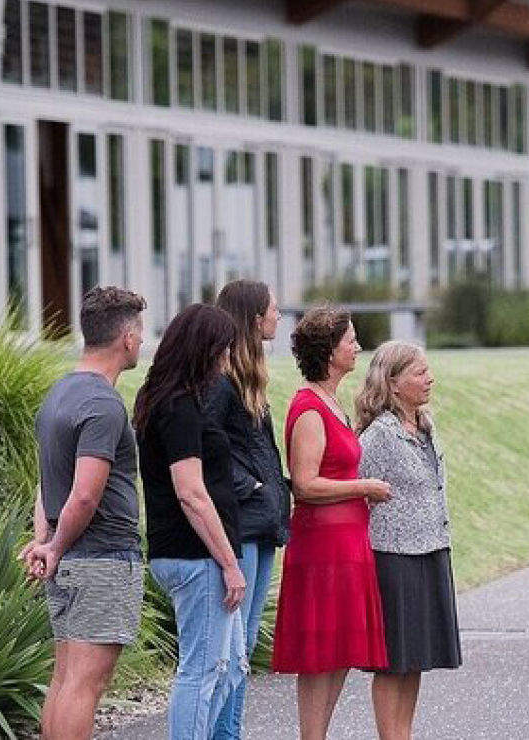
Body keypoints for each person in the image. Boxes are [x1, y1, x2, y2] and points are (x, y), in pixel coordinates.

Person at [23, 286, 148, 740]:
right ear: (127, 339)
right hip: (101, 560)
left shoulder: (59, 394)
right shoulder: (103, 403)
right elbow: (83, 497)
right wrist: (53, 546)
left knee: (65, 680)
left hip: (71, 557)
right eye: (140, 333)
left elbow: (46, 483)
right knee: (85, 684)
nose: (142, 342)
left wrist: (47, 543)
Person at [271, 306, 392, 740]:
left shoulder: (332, 402)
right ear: (329, 350)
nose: (357, 346)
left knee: (340, 649)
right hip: (322, 545)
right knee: (320, 652)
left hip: (347, 542)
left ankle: (319, 734)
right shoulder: (308, 408)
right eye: (351, 340)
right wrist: (364, 487)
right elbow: (304, 485)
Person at [134, 303, 247, 740]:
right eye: (223, 348)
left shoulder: (169, 399)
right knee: (202, 671)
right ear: (204, 349)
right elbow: (191, 493)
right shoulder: (178, 406)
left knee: (232, 665)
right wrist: (229, 563)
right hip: (196, 555)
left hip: (201, 555)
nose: (227, 358)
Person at [354, 341, 463, 740]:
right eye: (419, 372)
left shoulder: (425, 425)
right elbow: (356, 488)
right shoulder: (379, 435)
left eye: (427, 370)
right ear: (394, 382)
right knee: (393, 661)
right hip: (393, 557)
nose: (429, 378)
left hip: (431, 549)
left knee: (415, 658)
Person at [210, 280, 292, 740]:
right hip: (241, 523)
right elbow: (208, 448)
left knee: (245, 640)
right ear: (253, 317)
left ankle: (230, 732)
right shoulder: (219, 382)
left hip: (261, 523)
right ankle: (224, 734)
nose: (278, 316)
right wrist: (253, 487)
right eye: (272, 310)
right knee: (232, 643)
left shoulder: (248, 378)